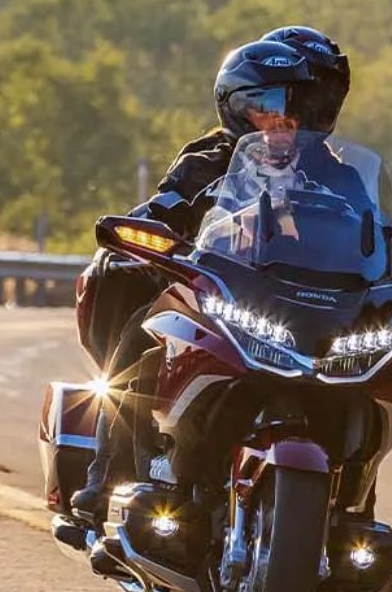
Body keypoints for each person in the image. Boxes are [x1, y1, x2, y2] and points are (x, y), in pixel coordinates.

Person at [69, 31, 353, 525]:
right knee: (143, 333)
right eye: (266, 107)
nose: (280, 120)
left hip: (302, 305)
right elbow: (164, 206)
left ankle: (351, 506)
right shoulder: (209, 159)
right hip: (220, 291)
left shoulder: (338, 174)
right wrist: (152, 226)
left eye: (293, 108)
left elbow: (378, 230)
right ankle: (107, 470)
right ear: (238, 110)